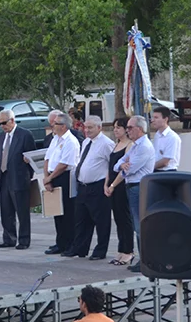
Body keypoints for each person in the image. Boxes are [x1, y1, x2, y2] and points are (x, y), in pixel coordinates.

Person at [106, 115, 155, 273]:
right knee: (137, 225)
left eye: (130, 128)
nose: (127, 131)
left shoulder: (143, 146)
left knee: (140, 225)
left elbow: (131, 168)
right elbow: (117, 165)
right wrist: (122, 165)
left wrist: (123, 166)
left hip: (139, 186)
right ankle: (144, 258)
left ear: (139, 129)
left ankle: (146, 259)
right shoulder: (134, 146)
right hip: (131, 187)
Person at [67, 116, 116, 259]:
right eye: (85, 127)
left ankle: (100, 250)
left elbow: (111, 165)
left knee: (101, 220)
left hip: (98, 186)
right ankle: (80, 248)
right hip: (83, 186)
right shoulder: (86, 142)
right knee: (82, 219)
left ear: (99, 128)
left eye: (90, 128)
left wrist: (108, 184)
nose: (86, 130)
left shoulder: (107, 144)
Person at [0, 109, 37, 250]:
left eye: (4, 123)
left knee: (22, 212)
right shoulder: (1, 137)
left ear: (12, 120)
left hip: (19, 178)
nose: (2, 126)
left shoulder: (25, 135)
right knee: (6, 210)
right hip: (5, 177)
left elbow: (31, 158)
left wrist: (27, 176)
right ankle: (9, 238)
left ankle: (24, 240)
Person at [43, 114, 80, 255]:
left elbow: (64, 164)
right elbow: (47, 158)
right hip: (53, 176)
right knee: (56, 212)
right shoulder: (55, 139)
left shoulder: (71, 141)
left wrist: (50, 177)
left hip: (64, 177)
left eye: (56, 123)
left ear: (64, 126)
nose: (53, 126)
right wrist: (47, 177)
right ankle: (61, 242)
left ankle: (70, 244)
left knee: (68, 213)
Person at [105, 118, 135, 267]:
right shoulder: (115, 145)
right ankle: (121, 249)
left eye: (119, 127)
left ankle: (128, 251)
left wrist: (113, 185)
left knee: (125, 219)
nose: (116, 130)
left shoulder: (129, 146)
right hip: (111, 185)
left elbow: (124, 170)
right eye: (114, 127)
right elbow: (110, 167)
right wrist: (107, 184)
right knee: (117, 218)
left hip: (121, 185)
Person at [151, 106, 181, 171]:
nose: (152, 120)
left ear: (165, 119)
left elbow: (165, 162)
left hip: (168, 172)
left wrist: (149, 167)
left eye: (156, 117)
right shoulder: (157, 135)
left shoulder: (172, 137)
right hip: (156, 170)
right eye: (153, 117)